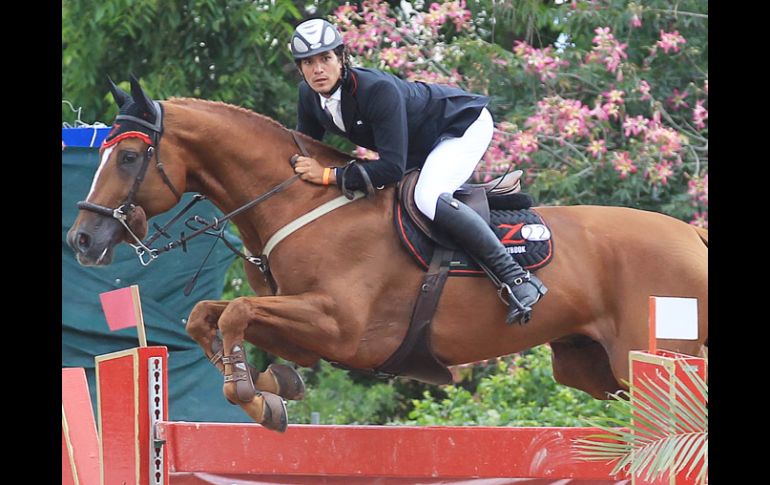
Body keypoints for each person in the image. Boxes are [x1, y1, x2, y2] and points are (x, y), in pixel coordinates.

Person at [289, 18, 547, 324]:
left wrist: (331, 176)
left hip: (461, 126)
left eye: (325, 58)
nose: (318, 69)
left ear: (342, 58)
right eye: (308, 62)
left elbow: (392, 168)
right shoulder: (309, 96)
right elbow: (305, 151)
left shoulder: (376, 90)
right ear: (300, 68)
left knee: (427, 196)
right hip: (422, 145)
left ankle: (518, 279)